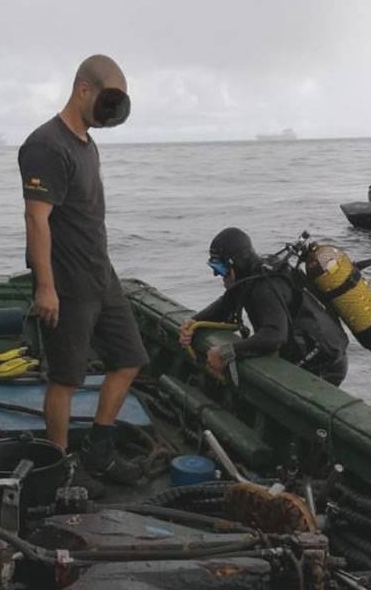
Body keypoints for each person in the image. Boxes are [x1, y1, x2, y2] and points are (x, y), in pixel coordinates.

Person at [18, 54, 148, 494]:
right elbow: (36, 220)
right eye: (105, 103)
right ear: (82, 89)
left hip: (101, 274)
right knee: (65, 378)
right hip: (67, 283)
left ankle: (99, 448)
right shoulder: (45, 145)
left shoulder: (86, 144)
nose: (107, 116)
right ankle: (58, 466)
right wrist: (46, 287)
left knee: (130, 358)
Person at [178, 228, 349, 386]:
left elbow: (275, 335)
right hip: (317, 349)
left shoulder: (264, 288)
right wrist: (192, 322)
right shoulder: (252, 275)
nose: (216, 274)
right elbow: (226, 305)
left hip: (324, 360)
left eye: (220, 268)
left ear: (235, 263)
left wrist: (225, 352)